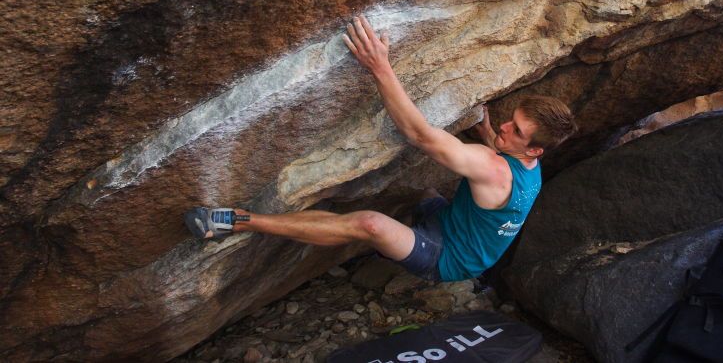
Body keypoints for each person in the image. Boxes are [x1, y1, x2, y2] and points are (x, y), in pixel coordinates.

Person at [185, 15, 577, 282]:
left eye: (517, 130)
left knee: (369, 223)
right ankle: (394, 237)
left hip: (449, 259)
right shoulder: (526, 163)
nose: (506, 126)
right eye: (511, 119)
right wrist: (488, 129)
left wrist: (379, 66)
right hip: (452, 223)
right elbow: (499, 150)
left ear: (535, 150)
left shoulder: (493, 168)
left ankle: (235, 221)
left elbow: (420, 135)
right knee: (421, 194)